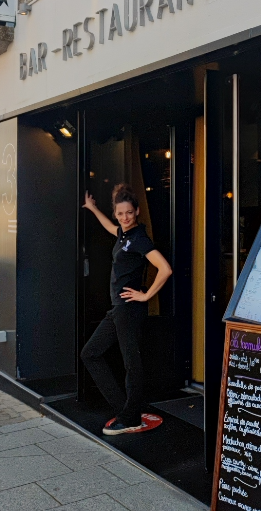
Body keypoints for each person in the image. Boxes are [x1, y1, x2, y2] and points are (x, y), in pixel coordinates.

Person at [80, 184, 172, 435]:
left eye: (129, 213)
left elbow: (165, 269)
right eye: (120, 214)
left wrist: (146, 296)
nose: (124, 217)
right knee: (90, 354)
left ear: (137, 211)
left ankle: (130, 417)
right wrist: (93, 208)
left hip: (129, 309)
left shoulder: (140, 239)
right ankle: (125, 409)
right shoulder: (122, 233)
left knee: (132, 364)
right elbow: (110, 228)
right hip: (118, 310)